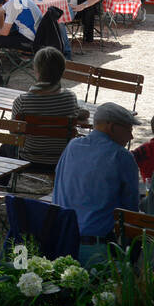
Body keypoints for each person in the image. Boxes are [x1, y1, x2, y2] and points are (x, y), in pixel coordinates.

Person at [53, 102, 140, 266]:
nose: (131, 137)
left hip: (60, 239)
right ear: (112, 127)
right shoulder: (121, 156)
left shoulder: (72, 146)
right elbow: (130, 213)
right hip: (95, 249)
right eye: (129, 129)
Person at [6, 47, 85, 168]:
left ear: (36, 70)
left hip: (28, 158)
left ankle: (0, 186)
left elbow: (14, 131)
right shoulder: (70, 98)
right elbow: (76, 115)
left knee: (5, 147)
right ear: (62, 71)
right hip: (60, 160)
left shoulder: (22, 101)